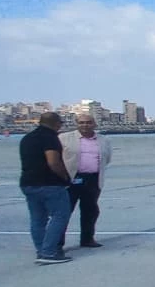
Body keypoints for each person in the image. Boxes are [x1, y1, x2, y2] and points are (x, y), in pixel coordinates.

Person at [20, 112, 73, 264]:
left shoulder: (27, 138)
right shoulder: (50, 138)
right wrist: (65, 177)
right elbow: (53, 162)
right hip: (49, 183)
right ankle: (49, 252)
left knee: (37, 219)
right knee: (60, 216)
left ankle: (41, 250)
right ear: (56, 123)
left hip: (28, 183)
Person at [59, 113, 112, 249]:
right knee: (64, 211)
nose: (85, 125)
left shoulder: (103, 140)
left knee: (90, 210)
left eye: (88, 122)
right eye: (81, 122)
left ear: (94, 124)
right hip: (71, 179)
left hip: (93, 179)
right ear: (76, 124)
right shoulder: (64, 138)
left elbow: (107, 159)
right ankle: (57, 243)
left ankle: (87, 239)